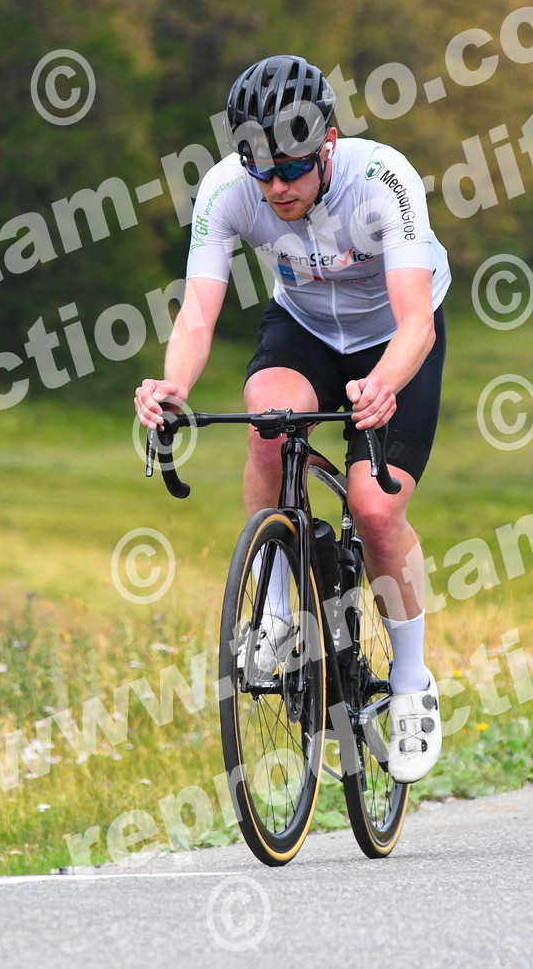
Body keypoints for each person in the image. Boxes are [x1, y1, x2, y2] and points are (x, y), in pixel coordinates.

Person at [134, 54, 450, 783]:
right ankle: (278, 609)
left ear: (327, 144)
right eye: (261, 171)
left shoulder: (385, 180)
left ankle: (411, 683)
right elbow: (198, 313)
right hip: (305, 326)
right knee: (269, 420)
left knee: (376, 509)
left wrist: (384, 384)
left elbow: (415, 322)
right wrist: (173, 387)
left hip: (395, 335)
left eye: (292, 169)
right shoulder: (226, 190)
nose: (276, 187)